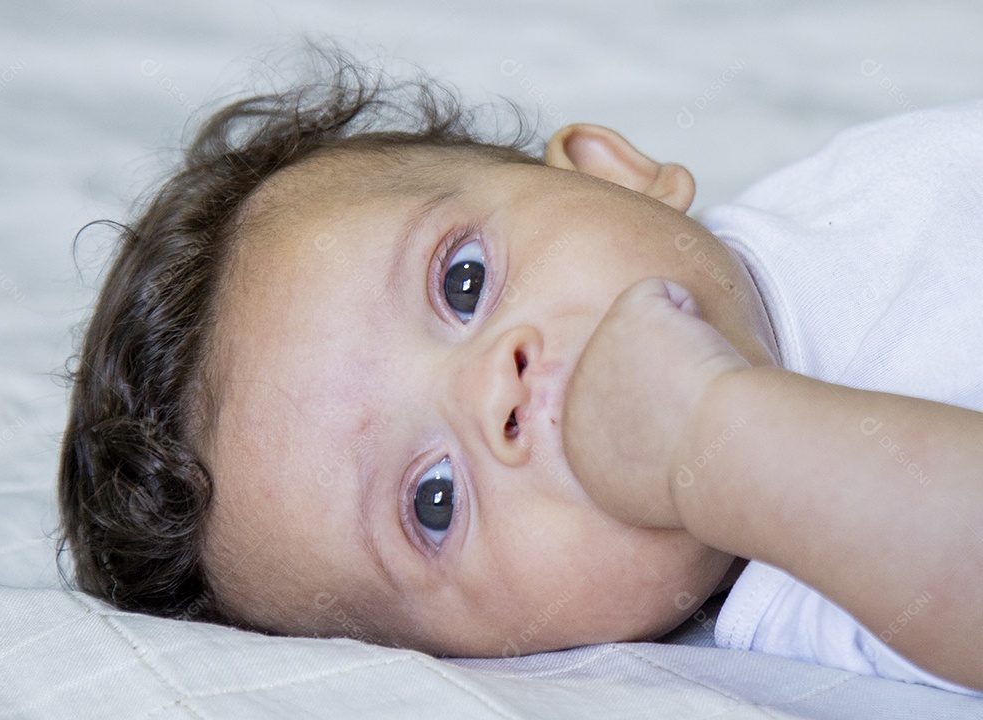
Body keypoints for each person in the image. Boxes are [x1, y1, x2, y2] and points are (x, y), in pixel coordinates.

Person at [56, 53, 983, 695]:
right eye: (433, 502)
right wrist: (718, 439)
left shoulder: (852, 183)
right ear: (488, 657)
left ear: (613, 172)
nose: (491, 393)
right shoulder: (830, 580)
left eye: (464, 283)